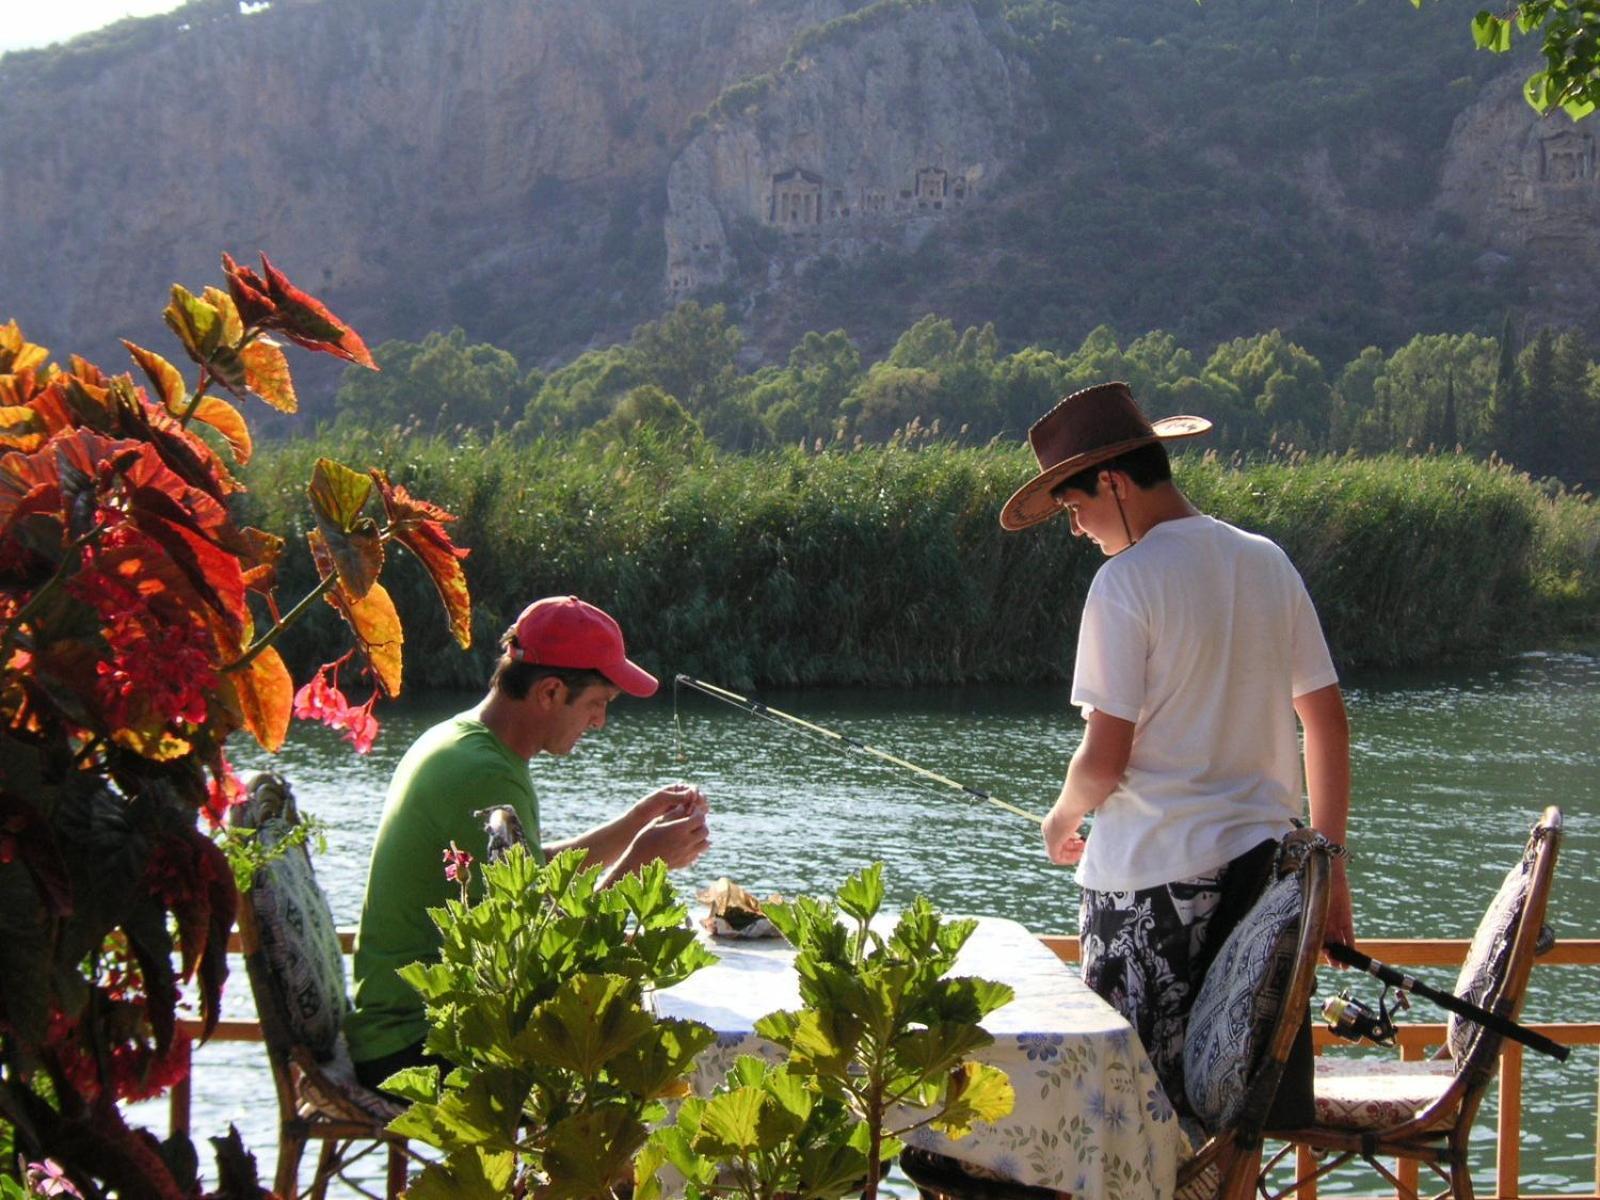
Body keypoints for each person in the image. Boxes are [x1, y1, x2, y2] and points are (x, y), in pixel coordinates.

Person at [999, 381, 1353, 1120]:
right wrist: (1332, 870)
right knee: (1227, 1122)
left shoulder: (1126, 582)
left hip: (1149, 893)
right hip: (1263, 891)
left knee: (1132, 1122)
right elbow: (1324, 722)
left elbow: (1105, 759)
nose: (1078, 530)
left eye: (1076, 509)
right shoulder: (1265, 562)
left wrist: (1060, 820)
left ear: (1114, 483)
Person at [346, 594, 712, 1088]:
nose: (600, 722)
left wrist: (633, 825)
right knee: (659, 1065)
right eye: (597, 704)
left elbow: (524, 874)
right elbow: (538, 947)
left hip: (403, 1031)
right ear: (550, 692)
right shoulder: (483, 774)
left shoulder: (461, 741)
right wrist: (643, 864)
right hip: (417, 1048)